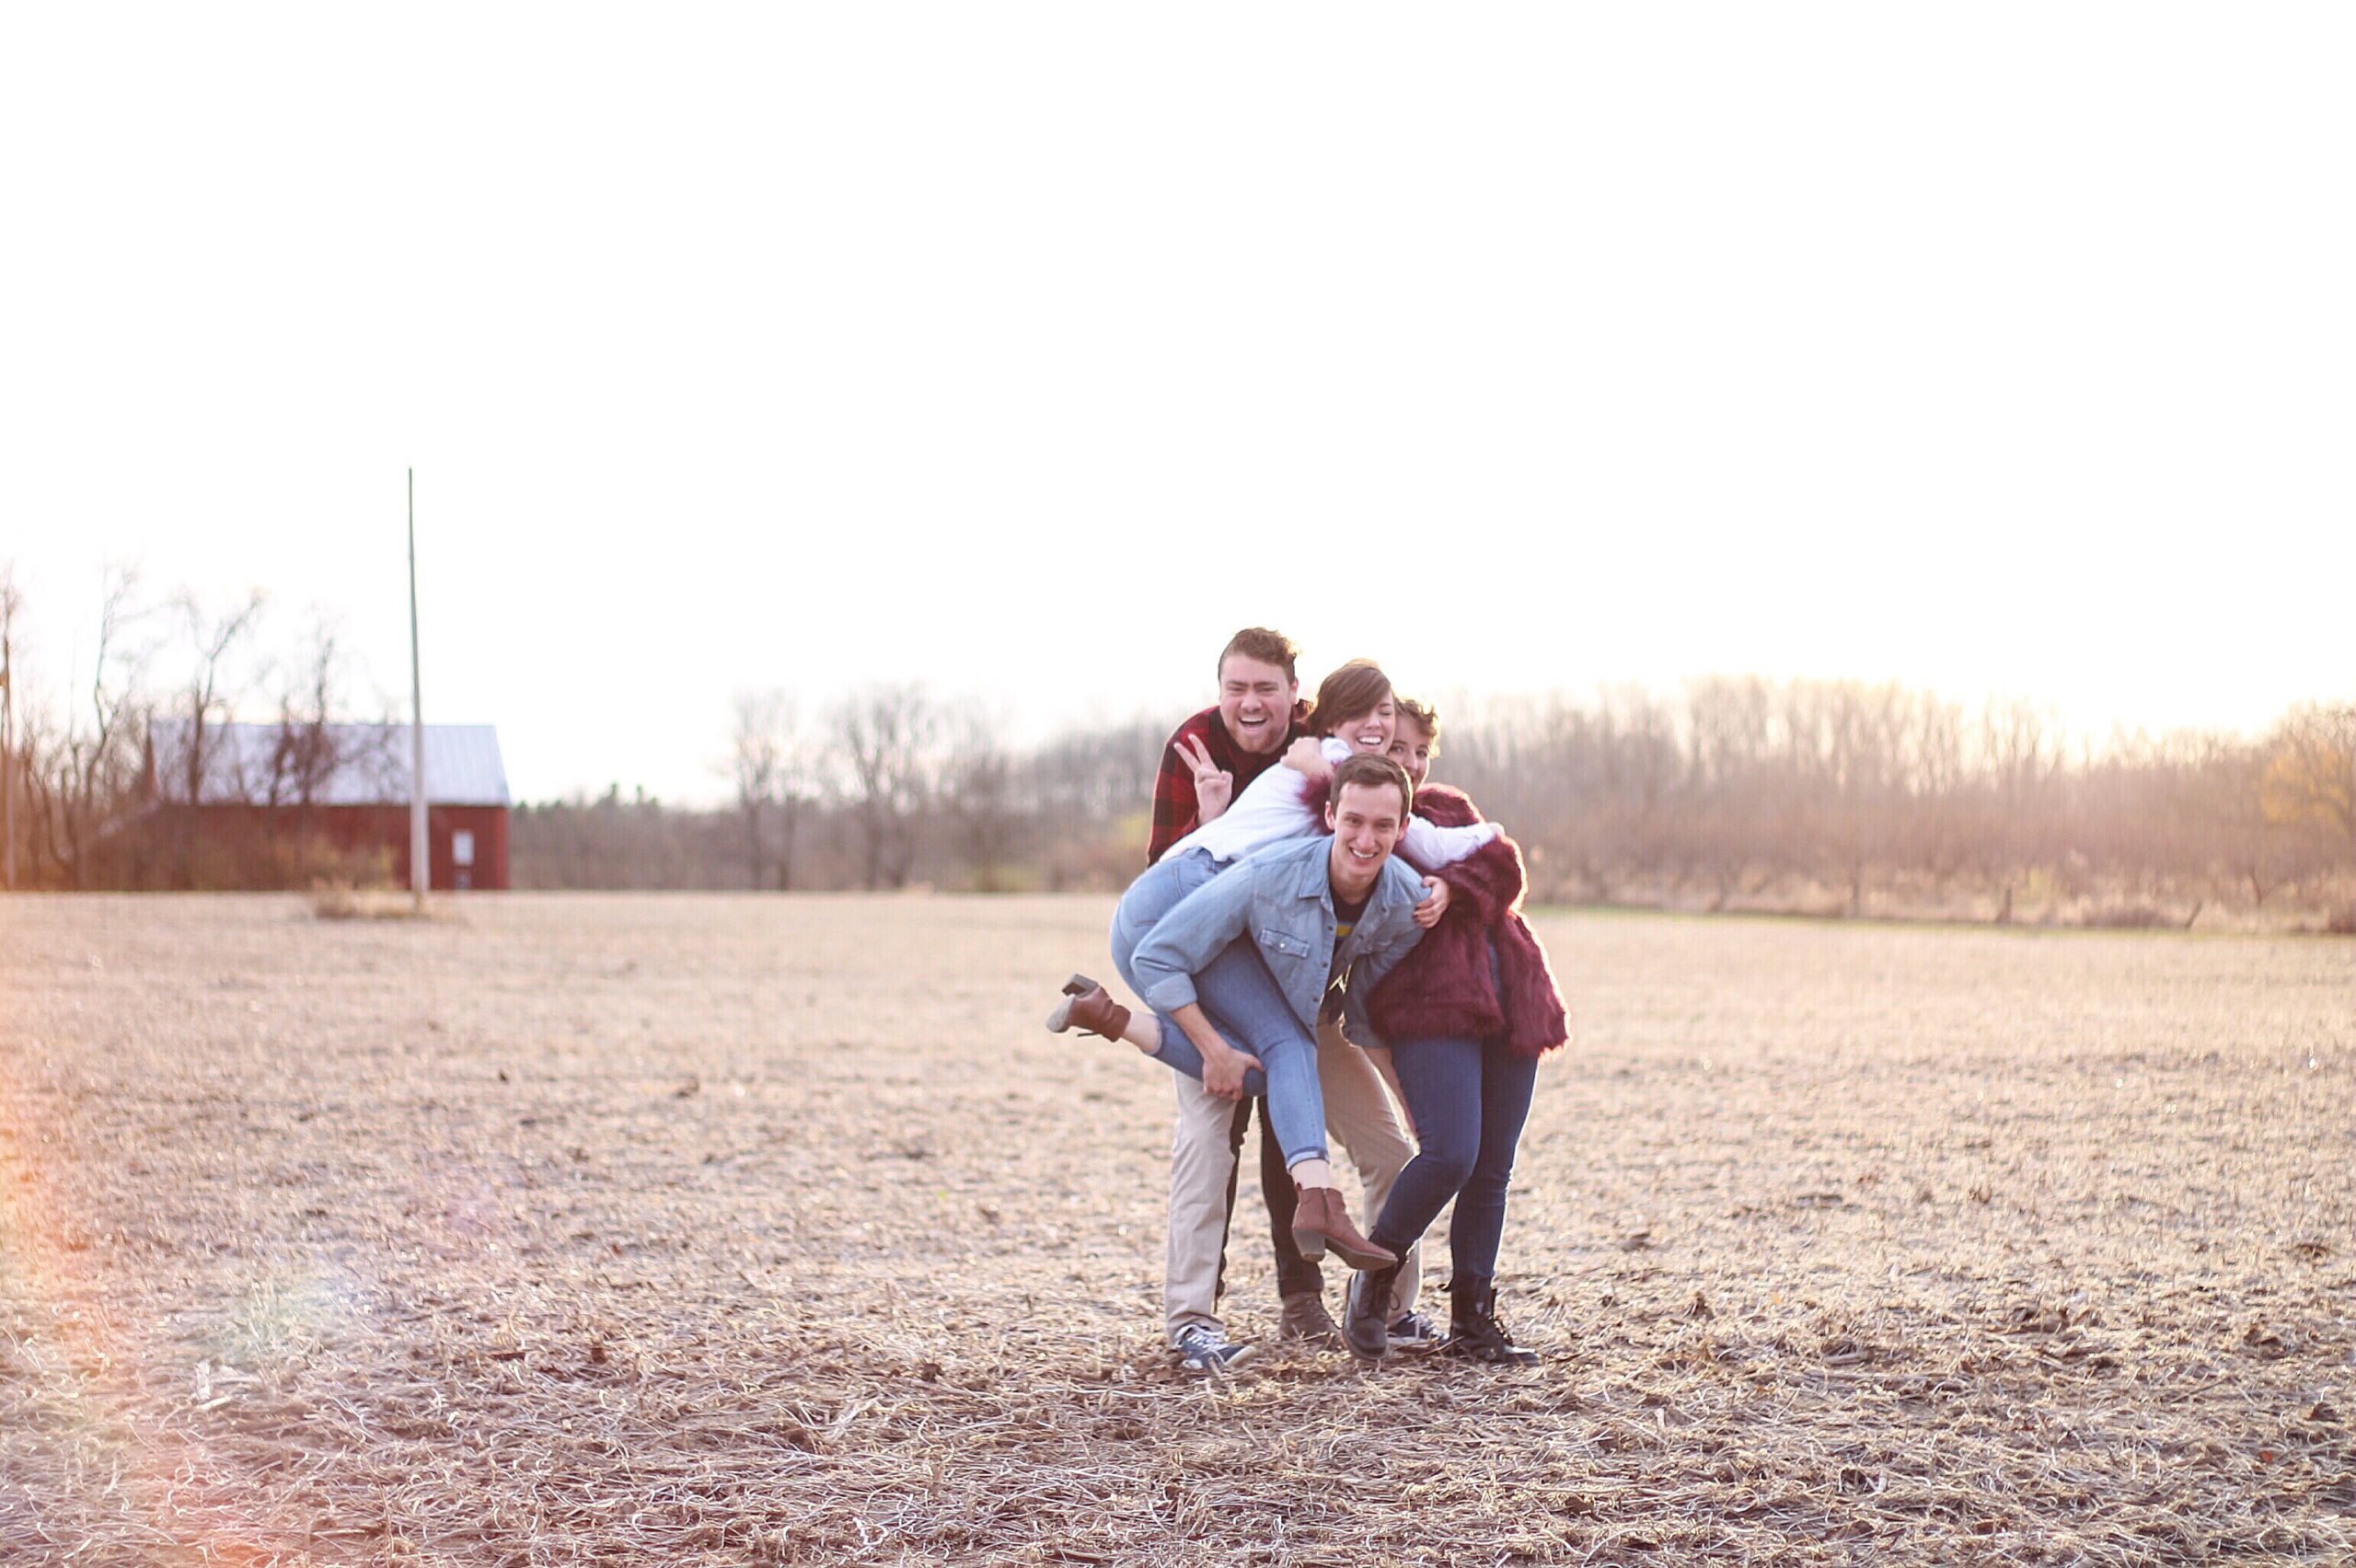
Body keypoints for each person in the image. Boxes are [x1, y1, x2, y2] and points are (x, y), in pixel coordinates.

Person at [1055, 663, 1493, 1368]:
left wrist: (1407, 1089)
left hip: (1306, 1007)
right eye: (1361, 724)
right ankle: (1192, 1321)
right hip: (1208, 973)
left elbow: (1365, 1007)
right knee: (1210, 1133)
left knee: (1388, 1147)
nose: (1377, 733)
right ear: (1325, 733)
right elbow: (1185, 882)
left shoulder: (1390, 850)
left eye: (1387, 722)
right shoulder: (1296, 780)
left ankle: (1389, 1304)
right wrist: (1212, 818)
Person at [1337, 698, 1569, 1366]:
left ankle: (1473, 1318)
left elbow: (1506, 869)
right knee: (1450, 1153)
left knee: (1493, 1166)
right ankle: (1373, 1280)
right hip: (1430, 1004)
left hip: (1511, 994)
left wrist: (1455, 889)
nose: (1409, 764)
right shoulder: (1376, 818)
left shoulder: (1449, 809)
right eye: (1397, 750)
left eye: (1418, 754)